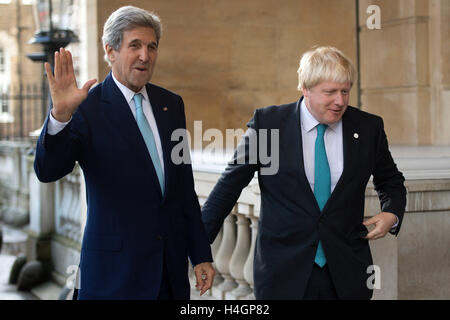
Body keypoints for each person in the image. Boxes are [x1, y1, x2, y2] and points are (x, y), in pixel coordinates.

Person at [34, 6, 215, 300]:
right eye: (135, 45)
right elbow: (48, 170)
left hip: (169, 276)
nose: (145, 55)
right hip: (112, 278)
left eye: (151, 46)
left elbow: (183, 188)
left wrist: (201, 254)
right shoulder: (87, 108)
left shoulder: (171, 105)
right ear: (111, 51)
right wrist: (61, 115)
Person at [201, 46, 406, 300]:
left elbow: (391, 180)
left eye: (345, 91)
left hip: (347, 274)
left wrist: (392, 213)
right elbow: (228, 187)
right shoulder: (269, 125)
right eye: (330, 92)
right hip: (282, 275)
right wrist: (198, 250)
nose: (340, 101)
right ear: (305, 89)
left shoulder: (368, 127)